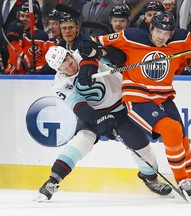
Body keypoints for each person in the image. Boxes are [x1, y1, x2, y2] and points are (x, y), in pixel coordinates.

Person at [78, 11, 191, 201]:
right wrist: (88, 64)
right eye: (158, 32)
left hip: (163, 97)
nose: (161, 37)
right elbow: (93, 44)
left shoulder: (180, 38)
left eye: (166, 34)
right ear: (151, 28)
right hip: (138, 99)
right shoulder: (131, 36)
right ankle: (182, 180)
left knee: (182, 137)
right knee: (171, 129)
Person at [34, 45, 173, 202]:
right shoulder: (60, 85)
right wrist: (99, 119)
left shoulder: (84, 53)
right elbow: (80, 108)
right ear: (58, 70)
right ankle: (53, 181)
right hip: (94, 113)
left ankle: (151, 179)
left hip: (121, 106)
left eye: (66, 58)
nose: (68, 65)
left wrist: (96, 54)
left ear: (70, 54)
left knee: (140, 143)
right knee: (82, 139)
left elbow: (117, 56)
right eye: (62, 64)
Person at [4, 0, 49, 74]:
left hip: (30, 80)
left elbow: (22, 65)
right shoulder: (20, 35)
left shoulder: (39, 35)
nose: (24, 19)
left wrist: (13, 42)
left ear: (36, 19)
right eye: (22, 16)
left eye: (28, 16)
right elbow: (10, 64)